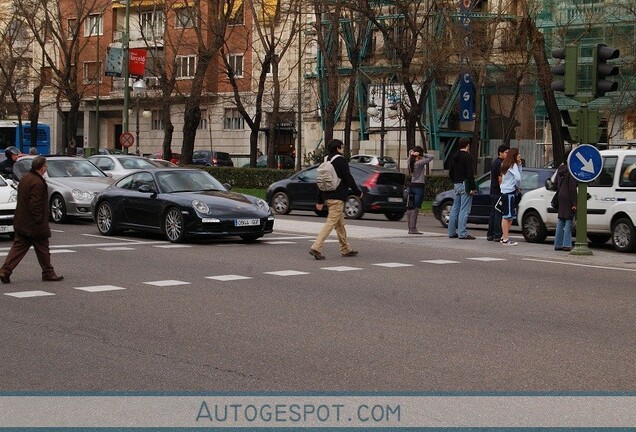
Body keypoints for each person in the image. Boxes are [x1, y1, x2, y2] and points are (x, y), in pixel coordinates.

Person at [0, 156, 64, 283]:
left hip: (21, 220)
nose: (46, 168)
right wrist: (40, 222)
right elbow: (35, 205)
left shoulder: (25, 178)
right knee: (43, 248)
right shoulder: (37, 182)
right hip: (33, 223)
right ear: (42, 168)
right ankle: (48, 273)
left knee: (18, 248)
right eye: (46, 166)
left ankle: (5, 270)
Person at [309, 139, 362, 260]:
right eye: (342, 147)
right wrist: (358, 192)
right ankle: (316, 247)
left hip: (328, 196)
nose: (343, 150)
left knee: (340, 224)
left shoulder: (326, 160)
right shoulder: (341, 160)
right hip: (338, 197)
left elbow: (320, 181)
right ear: (338, 148)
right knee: (330, 223)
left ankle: (346, 249)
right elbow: (348, 178)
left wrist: (320, 200)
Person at [447, 137, 477, 240]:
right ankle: (462, 233)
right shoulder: (467, 157)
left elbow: (450, 173)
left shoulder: (454, 156)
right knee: (464, 210)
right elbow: (470, 173)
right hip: (465, 184)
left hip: (457, 184)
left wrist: (455, 180)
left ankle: (451, 232)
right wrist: (472, 187)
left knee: (455, 209)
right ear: (467, 145)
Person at [406, 146, 434, 234]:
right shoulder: (419, 163)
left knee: (410, 207)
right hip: (419, 187)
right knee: (416, 208)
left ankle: (410, 228)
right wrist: (422, 154)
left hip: (412, 186)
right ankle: (413, 229)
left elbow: (410, 151)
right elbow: (431, 157)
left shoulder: (410, 161)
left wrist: (412, 153)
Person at [499, 148, 523, 246]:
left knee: (509, 216)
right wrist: (517, 186)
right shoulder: (513, 165)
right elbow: (518, 177)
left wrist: (520, 164)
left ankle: (504, 236)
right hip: (510, 191)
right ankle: (505, 238)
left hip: (504, 190)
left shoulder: (505, 163)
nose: (519, 156)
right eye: (518, 154)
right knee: (507, 216)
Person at [554, 159, 577, 251]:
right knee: (568, 219)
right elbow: (572, 187)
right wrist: (575, 202)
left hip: (560, 196)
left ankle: (558, 244)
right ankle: (567, 244)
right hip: (568, 197)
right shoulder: (571, 169)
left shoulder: (561, 168)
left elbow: (555, 182)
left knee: (561, 219)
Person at [487, 145, 509, 241]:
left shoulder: (495, 162)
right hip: (498, 191)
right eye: (506, 152)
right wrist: (503, 189)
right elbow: (500, 179)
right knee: (498, 213)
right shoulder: (500, 163)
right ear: (500, 153)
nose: (507, 154)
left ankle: (490, 234)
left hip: (493, 189)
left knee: (493, 213)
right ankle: (497, 234)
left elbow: (492, 176)